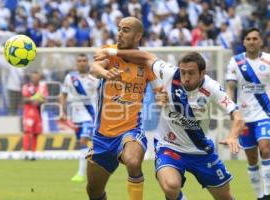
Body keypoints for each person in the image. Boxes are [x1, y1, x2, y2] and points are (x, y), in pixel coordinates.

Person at [94, 49, 245, 200]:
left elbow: (237, 115)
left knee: (225, 196)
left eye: (191, 73)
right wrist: (112, 52)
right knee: (171, 186)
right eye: (183, 72)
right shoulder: (169, 73)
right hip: (169, 146)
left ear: (202, 73)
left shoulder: (212, 88)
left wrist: (232, 136)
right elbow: (145, 56)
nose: (185, 77)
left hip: (200, 150)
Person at [86, 17, 161, 200]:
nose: (120, 33)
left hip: (130, 130)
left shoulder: (145, 63)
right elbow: (94, 68)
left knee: (133, 161)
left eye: (126, 30)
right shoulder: (108, 52)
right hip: (102, 136)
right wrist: (105, 73)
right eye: (119, 29)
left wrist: (162, 97)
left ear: (138, 36)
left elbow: (159, 90)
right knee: (93, 192)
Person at [225, 28, 270, 200]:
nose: (251, 41)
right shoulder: (235, 62)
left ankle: (267, 195)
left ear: (261, 41)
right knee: (252, 159)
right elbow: (230, 88)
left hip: (264, 115)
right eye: (248, 39)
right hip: (244, 118)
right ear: (243, 42)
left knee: (265, 150)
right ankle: (260, 195)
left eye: (255, 38)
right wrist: (232, 111)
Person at [60, 53, 99, 182]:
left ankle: (81, 174)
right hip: (76, 116)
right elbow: (63, 95)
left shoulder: (94, 78)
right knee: (85, 144)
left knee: (83, 140)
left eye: (84, 60)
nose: (82, 62)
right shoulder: (70, 78)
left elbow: (101, 96)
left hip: (90, 115)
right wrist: (62, 110)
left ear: (87, 62)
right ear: (76, 63)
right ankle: (96, 168)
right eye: (79, 60)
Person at [22, 71, 46, 160]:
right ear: (31, 78)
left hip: (38, 114)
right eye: (34, 77)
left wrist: (39, 101)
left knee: (36, 134)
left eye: (37, 77)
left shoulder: (42, 87)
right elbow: (24, 100)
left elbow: (44, 99)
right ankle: (25, 153)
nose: (35, 79)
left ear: (39, 78)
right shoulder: (26, 87)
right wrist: (34, 99)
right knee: (27, 133)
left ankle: (33, 153)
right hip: (28, 113)